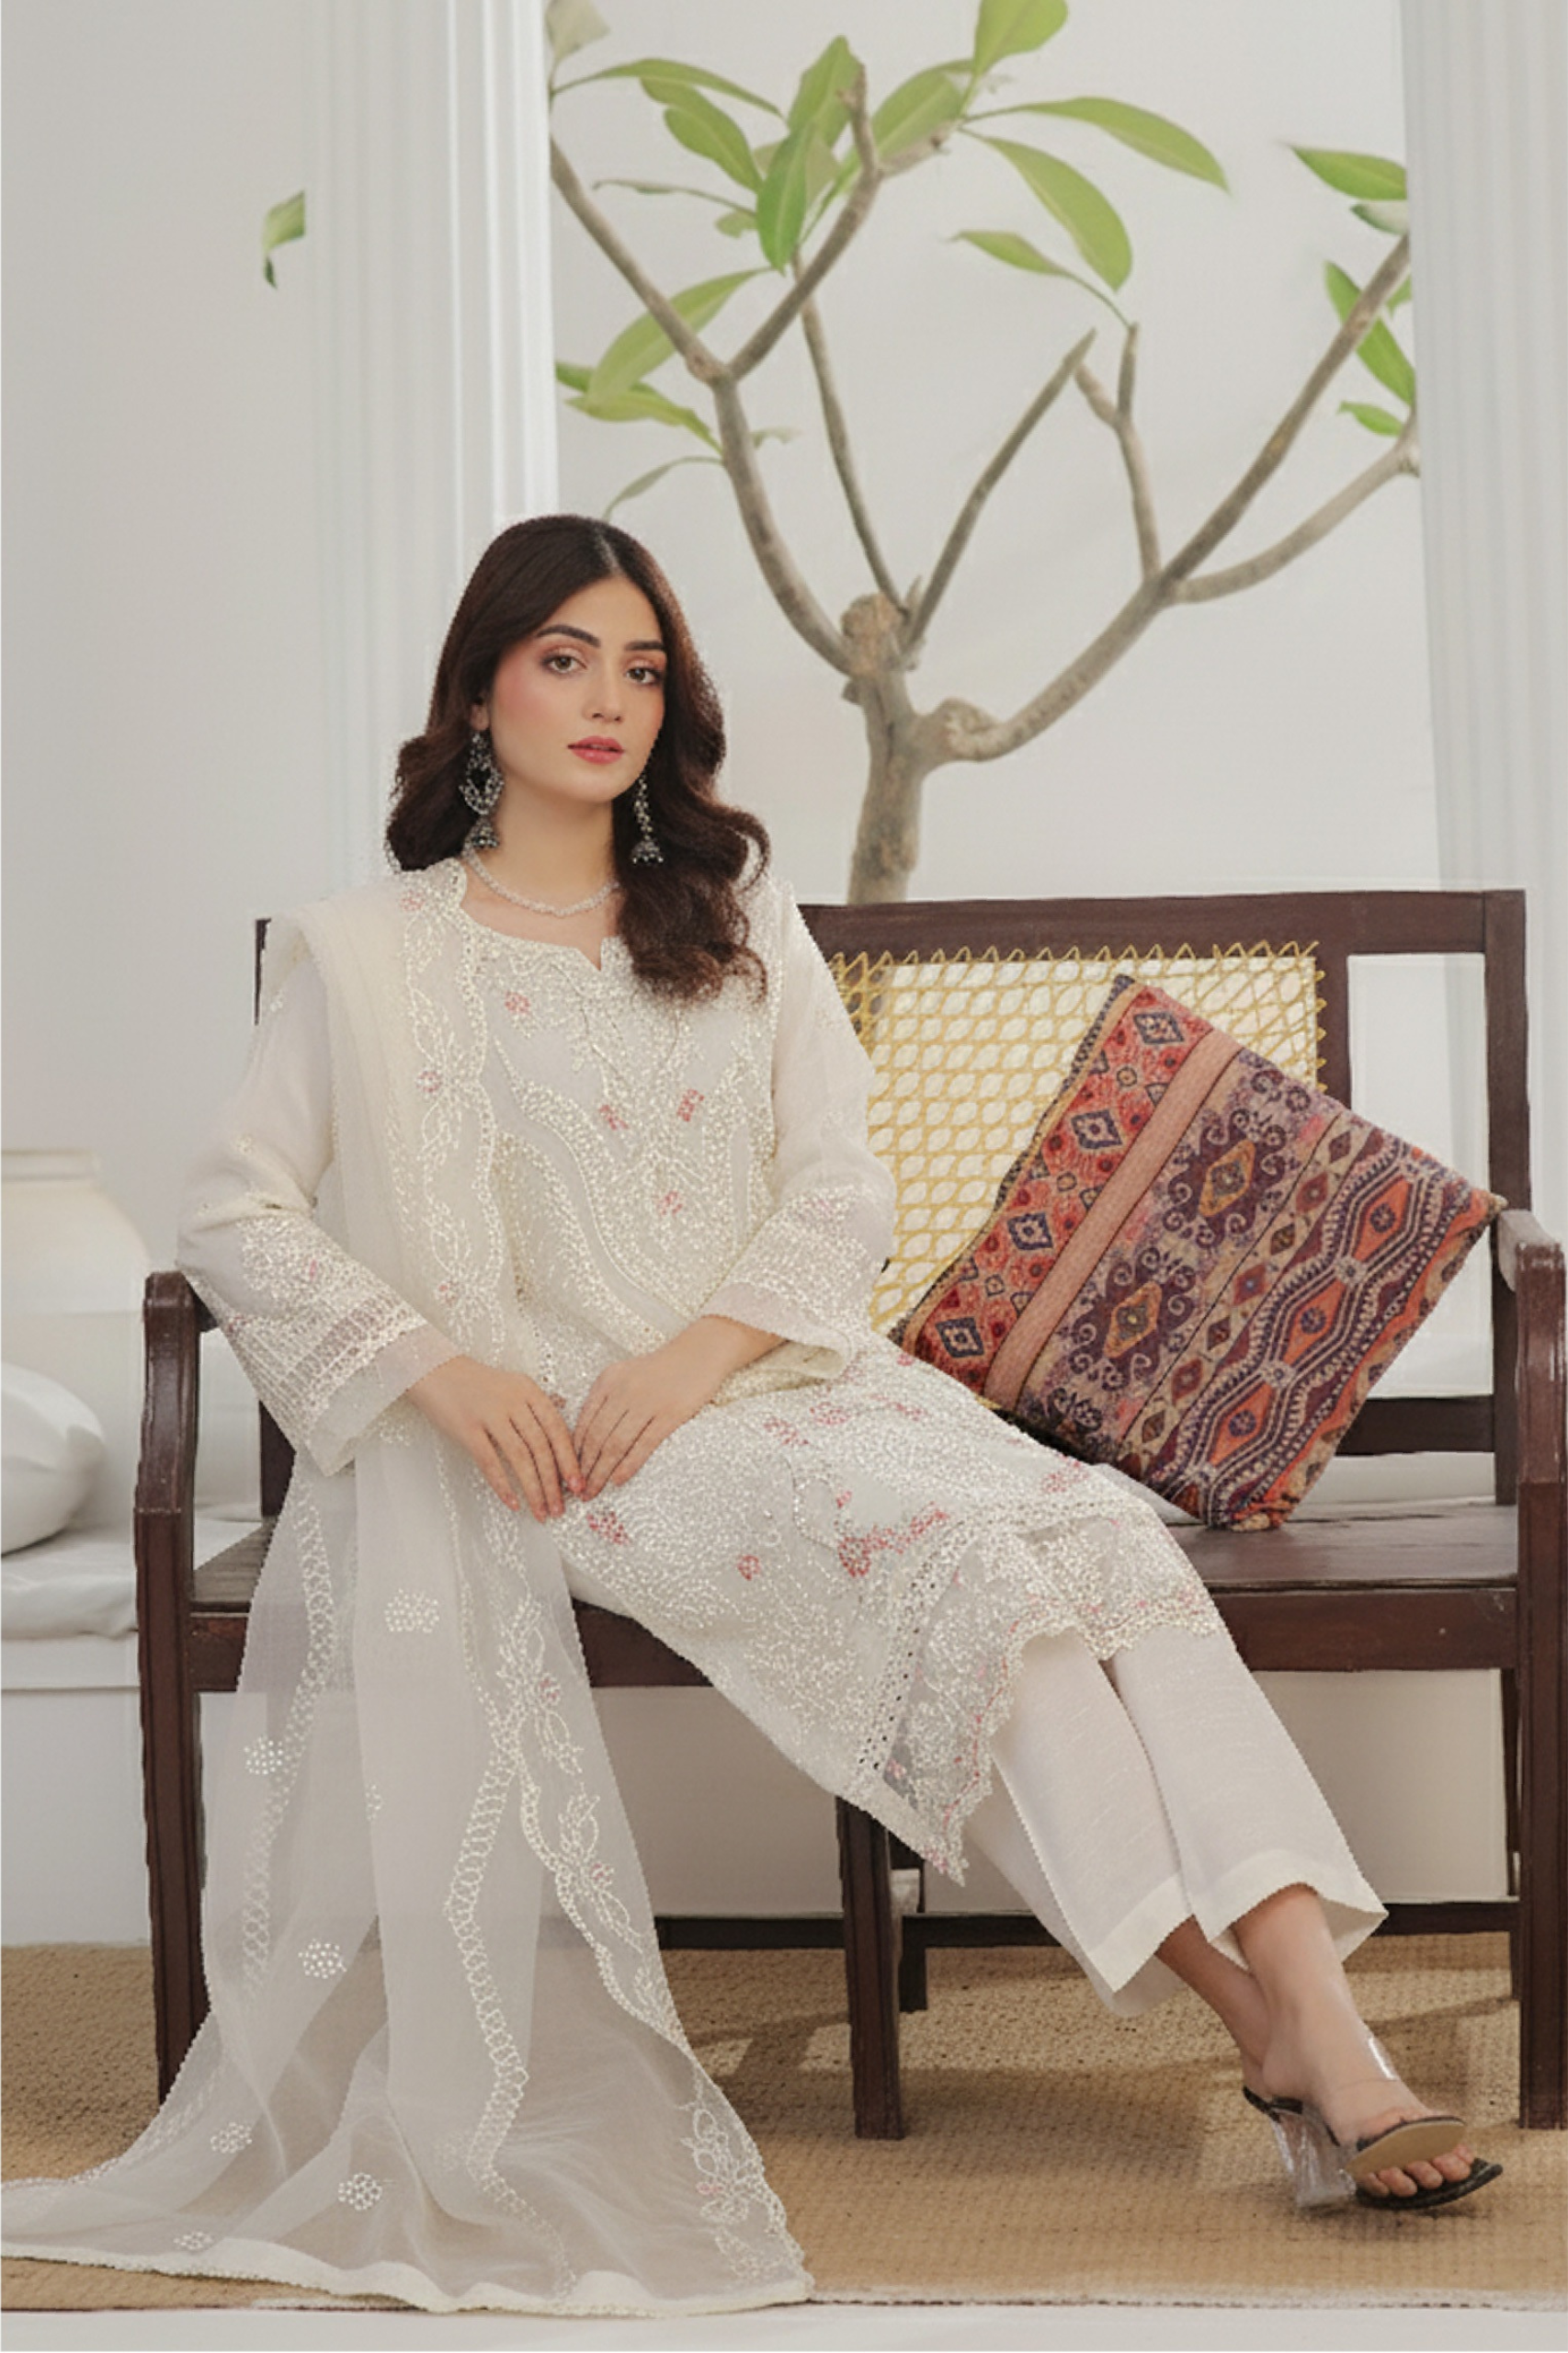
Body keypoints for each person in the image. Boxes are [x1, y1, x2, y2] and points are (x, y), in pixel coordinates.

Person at [2, 516, 1498, 2316]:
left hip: (794, 1380)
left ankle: (1307, 2013)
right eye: (564, 658)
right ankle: (1269, 2025)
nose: (607, 700)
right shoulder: (369, 956)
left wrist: (699, 1351)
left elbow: (839, 1186)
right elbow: (236, 1212)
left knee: (1095, 1530)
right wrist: (443, 1371)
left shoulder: (730, 915)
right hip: (584, 1451)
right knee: (975, 1577)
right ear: (478, 691)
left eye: (640, 668)